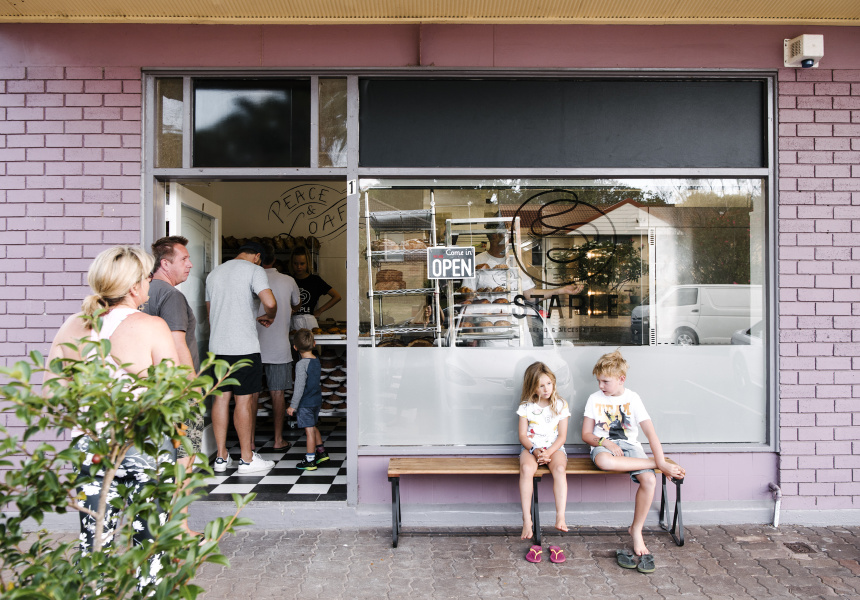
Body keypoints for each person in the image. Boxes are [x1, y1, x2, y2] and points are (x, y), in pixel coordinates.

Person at [44, 246, 180, 586]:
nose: (151, 284)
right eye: (148, 277)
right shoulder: (152, 326)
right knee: (150, 545)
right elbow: (172, 392)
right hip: (145, 445)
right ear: (134, 287)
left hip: (90, 447)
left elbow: (51, 393)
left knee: (94, 545)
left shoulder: (73, 325)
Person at [582, 350, 686, 573]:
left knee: (649, 481)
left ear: (621, 379)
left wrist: (659, 458)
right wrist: (605, 442)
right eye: (599, 381)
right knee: (605, 462)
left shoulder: (633, 398)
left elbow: (650, 434)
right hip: (604, 446)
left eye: (605, 381)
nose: (601, 385)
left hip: (631, 448)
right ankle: (654, 465)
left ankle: (636, 530)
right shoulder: (594, 399)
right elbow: (586, 434)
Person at [206, 241, 277, 474]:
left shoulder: (214, 273)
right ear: (257, 256)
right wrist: (270, 315)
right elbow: (270, 302)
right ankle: (246, 459)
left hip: (217, 348)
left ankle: (220, 457)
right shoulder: (255, 270)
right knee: (244, 401)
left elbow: (210, 314)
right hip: (244, 347)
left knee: (221, 400)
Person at [459, 225, 582, 346]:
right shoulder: (476, 261)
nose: (509, 237)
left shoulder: (515, 262)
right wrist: (470, 333)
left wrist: (561, 290)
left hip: (518, 329)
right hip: (490, 331)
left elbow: (530, 295)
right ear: (493, 235)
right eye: (505, 233)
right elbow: (468, 300)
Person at [517, 361, 570, 564]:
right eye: (541, 385)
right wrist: (534, 450)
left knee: (558, 468)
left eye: (549, 383)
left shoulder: (560, 405)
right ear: (532, 387)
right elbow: (522, 435)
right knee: (527, 468)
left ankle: (560, 516)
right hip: (531, 448)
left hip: (554, 448)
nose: (546, 389)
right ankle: (527, 520)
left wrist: (548, 452)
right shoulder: (526, 407)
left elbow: (562, 436)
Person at [256, 241, 301, 451]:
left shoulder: (251, 278)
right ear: (274, 259)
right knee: (277, 393)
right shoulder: (288, 280)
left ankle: (249, 444)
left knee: (250, 394)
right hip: (279, 345)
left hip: (252, 346)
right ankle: (277, 439)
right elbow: (296, 303)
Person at [286, 329, 329, 471]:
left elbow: (299, 388)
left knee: (309, 431)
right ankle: (321, 452)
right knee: (313, 426)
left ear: (295, 348)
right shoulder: (316, 361)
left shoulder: (301, 365)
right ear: (314, 344)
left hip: (306, 403)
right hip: (316, 400)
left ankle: (310, 459)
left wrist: (293, 406)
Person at [289, 245, 341, 331]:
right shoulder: (288, 280)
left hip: (310, 322)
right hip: (291, 322)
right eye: (295, 263)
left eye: (302, 263)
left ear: (308, 263)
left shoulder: (315, 280)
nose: (299, 267)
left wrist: (320, 310)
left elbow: (337, 296)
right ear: (291, 263)